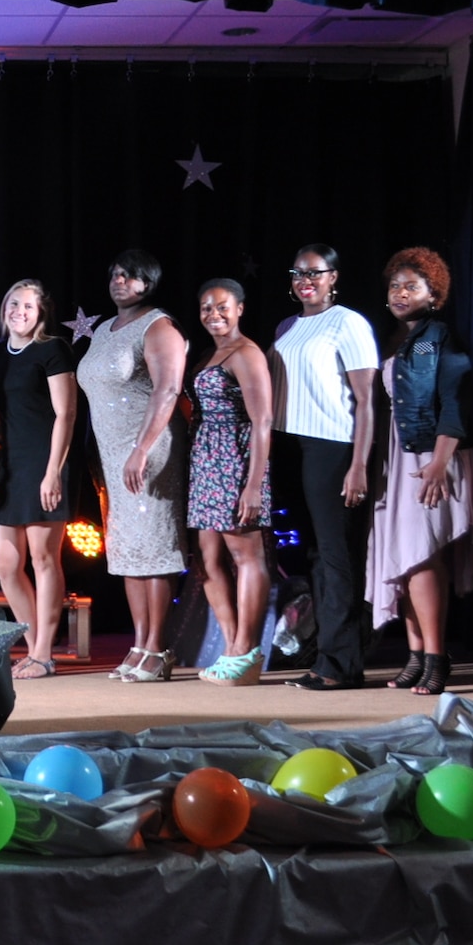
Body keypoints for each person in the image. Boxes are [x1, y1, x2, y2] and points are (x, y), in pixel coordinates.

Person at [366, 249, 473, 697]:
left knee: (421, 555)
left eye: (410, 287)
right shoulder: (401, 340)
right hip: (400, 457)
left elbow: (456, 403)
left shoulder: (440, 339)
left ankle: (437, 657)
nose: (400, 293)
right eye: (395, 286)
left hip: (430, 457)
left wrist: (439, 462)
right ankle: (416, 656)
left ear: (433, 295)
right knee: (406, 558)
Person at [270, 243, 379, 691]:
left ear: (334, 277)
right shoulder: (287, 325)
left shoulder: (349, 323)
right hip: (289, 446)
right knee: (311, 557)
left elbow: (368, 401)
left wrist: (358, 464)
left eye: (315, 273)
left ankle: (343, 663)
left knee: (337, 557)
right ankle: (321, 656)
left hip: (332, 446)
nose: (305, 281)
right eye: (298, 273)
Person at [77, 249, 188, 683]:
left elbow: (168, 389)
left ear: (150, 283)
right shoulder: (105, 328)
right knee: (127, 551)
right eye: (116, 274)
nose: (120, 281)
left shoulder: (159, 326)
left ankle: (158, 649)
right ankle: (140, 644)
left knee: (154, 547)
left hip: (148, 448)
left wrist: (141, 448)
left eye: (131, 276)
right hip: (111, 452)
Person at [0, 279, 77, 680]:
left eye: (28, 306)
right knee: (5, 563)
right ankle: (36, 645)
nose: (19, 311)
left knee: (43, 558)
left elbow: (66, 414)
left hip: (44, 461)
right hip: (8, 464)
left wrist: (53, 471)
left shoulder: (52, 349)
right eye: (13, 303)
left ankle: (42, 653)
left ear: (41, 313)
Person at [186, 279, 274, 687]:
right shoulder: (210, 353)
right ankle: (230, 646)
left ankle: (246, 650)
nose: (214, 315)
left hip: (236, 460)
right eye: (206, 308)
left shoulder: (247, 353)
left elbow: (263, 421)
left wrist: (253, 484)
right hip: (206, 458)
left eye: (222, 307)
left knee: (245, 556)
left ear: (239, 308)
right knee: (207, 560)